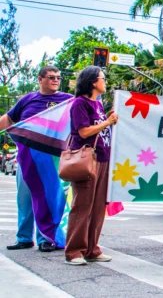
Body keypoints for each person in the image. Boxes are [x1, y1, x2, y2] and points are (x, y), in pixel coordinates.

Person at [0, 66, 72, 253]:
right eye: (51, 77)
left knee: (48, 198)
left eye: (58, 77)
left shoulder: (68, 101)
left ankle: (46, 238)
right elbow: (8, 120)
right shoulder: (28, 100)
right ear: (40, 79)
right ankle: (24, 238)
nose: (56, 80)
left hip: (53, 160)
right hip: (27, 159)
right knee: (24, 199)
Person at [65, 66, 118, 265]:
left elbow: (99, 129)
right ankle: (74, 251)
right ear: (92, 82)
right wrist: (107, 122)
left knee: (97, 207)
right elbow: (84, 132)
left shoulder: (97, 104)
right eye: (103, 78)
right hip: (87, 159)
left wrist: (109, 120)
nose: (105, 81)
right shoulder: (80, 103)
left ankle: (92, 249)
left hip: (103, 158)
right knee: (82, 206)